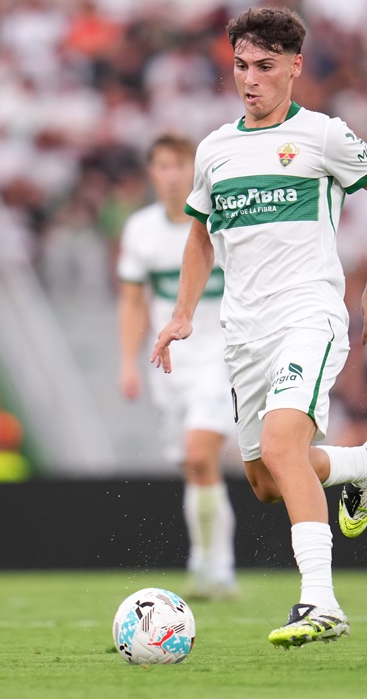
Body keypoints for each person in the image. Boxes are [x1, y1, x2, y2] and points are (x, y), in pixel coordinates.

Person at [151, 7, 367, 648]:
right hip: (244, 332)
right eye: (241, 66)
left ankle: (321, 602)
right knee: (267, 481)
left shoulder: (323, 135)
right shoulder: (215, 150)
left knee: (280, 447)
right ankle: (360, 464)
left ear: (295, 66)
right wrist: (183, 313)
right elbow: (199, 237)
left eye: (265, 67)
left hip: (308, 316)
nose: (250, 79)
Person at [118, 133, 238, 600]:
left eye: (179, 165)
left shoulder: (220, 221)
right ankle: (207, 563)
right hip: (169, 364)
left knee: (199, 453)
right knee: (194, 467)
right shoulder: (140, 230)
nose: (171, 176)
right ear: (151, 173)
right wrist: (127, 362)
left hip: (221, 357)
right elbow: (132, 302)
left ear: (195, 170)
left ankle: (216, 566)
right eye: (163, 166)